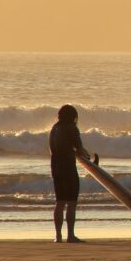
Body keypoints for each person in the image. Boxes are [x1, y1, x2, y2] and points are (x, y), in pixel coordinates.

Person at [49, 104, 90, 243]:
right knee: (72, 202)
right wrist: (88, 158)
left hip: (55, 167)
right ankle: (70, 235)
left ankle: (58, 236)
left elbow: (55, 149)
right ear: (73, 117)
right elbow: (79, 149)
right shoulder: (72, 128)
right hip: (68, 167)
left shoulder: (54, 129)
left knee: (60, 202)